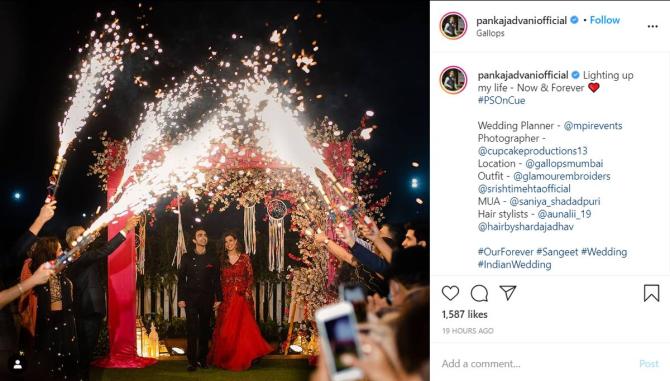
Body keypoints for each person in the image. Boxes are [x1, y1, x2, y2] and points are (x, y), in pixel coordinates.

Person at [65, 216, 140, 378]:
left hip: (90, 311)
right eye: (82, 235)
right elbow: (105, 250)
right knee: (84, 353)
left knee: (86, 352)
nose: (86, 236)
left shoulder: (80, 255)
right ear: (73, 240)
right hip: (87, 311)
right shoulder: (76, 257)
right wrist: (126, 229)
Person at [208, 231, 272, 371]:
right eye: (226, 242)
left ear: (236, 241)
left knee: (244, 329)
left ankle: (247, 356)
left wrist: (248, 291)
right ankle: (228, 356)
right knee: (226, 330)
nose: (228, 244)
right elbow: (217, 281)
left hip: (242, 297)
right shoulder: (221, 260)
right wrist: (217, 298)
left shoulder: (244, 258)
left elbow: (250, 277)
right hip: (226, 297)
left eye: (230, 240)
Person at [177, 229, 222, 372]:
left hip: (207, 298)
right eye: (200, 235)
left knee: (204, 330)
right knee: (192, 330)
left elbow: (216, 280)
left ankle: (202, 360)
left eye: (205, 235)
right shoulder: (186, 257)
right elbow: (181, 280)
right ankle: (191, 361)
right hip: (190, 299)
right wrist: (181, 298)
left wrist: (219, 298)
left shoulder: (213, 258)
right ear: (194, 240)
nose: (203, 237)